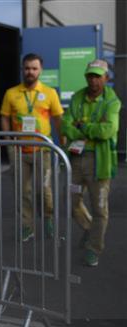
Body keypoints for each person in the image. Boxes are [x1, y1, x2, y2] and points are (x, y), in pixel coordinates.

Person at [61, 59, 121, 267]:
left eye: (98, 76)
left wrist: (83, 126)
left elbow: (108, 130)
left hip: (99, 162)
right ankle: (89, 229)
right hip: (77, 159)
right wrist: (88, 128)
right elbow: (66, 125)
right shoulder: (78, 96)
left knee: (100, 208)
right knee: (71, 201)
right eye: (90, 75)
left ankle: (94, 248)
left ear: (106, 78)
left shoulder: (112, 101)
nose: (93, 80)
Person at [0, 53, 64, 241]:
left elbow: (58, 118)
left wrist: (63, 143)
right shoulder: (11, 93)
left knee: (44, 190)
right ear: (22, 69)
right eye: (27, 68)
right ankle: (27, 227)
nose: (30, 71)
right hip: (19, 151)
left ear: (40, 70)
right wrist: (8, 140)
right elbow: (4, 116)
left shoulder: (50, 93)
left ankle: (49, 220)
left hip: (42, 150)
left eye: (34, 68)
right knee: (23, 191)